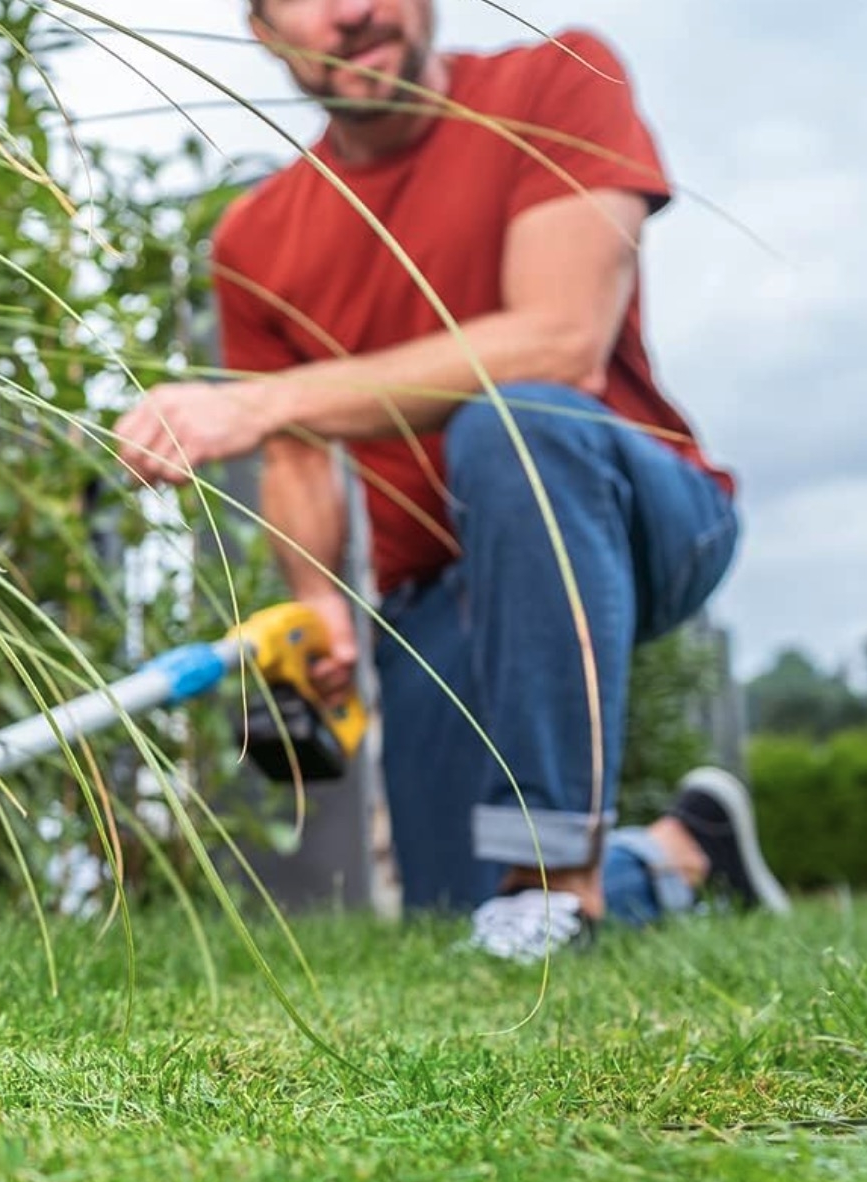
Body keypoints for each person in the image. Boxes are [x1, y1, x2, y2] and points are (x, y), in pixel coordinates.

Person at [111, 0, 788, 960]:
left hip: (642, 519)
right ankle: (678, 858)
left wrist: (260, 404)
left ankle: (551, 865)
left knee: (512, 422)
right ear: (264, 30)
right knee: (462, 920)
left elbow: (560, 344)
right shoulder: (257, 241)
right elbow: (299, 446)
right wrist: (320, 601)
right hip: (440, 586)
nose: (351, 11)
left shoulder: (553, 85)